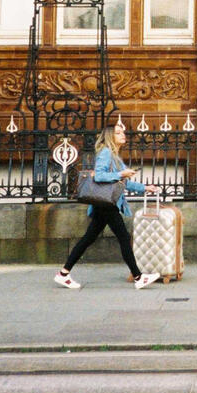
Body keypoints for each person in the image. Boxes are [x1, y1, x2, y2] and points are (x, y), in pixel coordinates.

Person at [55, 121, 158, 289]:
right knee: (123, 237)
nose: (123, 135)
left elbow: (123, 182)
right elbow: (99, 176)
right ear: (110, 136)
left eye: (122, 132)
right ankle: (139, 278)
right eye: (118, 133)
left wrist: (145, 188)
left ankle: (63, 273)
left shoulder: (114, 156)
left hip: (104, 203)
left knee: (89, 238)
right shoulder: (105, 153)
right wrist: (120, 173)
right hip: (106, 203)